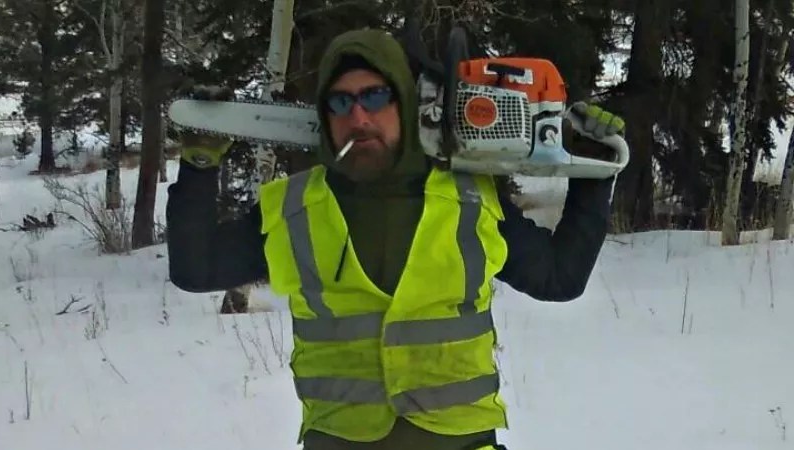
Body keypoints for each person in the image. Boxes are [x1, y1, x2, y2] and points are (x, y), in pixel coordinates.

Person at [166, 28, 625, 450]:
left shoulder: (470, 199)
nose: (358, 116)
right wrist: (200, 165)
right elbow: (195, 269)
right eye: (340, 102)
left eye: (374, 96)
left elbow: (559, 278)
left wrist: (593, 172)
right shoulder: (294, 208)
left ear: (404, 102)